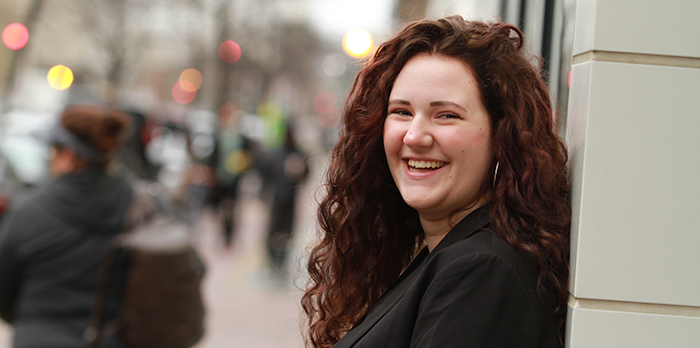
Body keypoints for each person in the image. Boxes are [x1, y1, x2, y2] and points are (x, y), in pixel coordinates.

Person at [302, 16, 570, 348]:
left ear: (504, 136)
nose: (414, 136)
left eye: (446, 115)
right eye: (401, 111)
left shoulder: (482, 273)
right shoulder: (447, 253)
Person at [0, 105, 132, 348]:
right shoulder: (141, 206)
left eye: (53, 151)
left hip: (38, 339)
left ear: (68, 156)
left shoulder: (29, 212)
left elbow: (3, 290)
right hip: (111, 340)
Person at [261, 123, 309, 274]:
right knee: (273, 231)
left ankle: (282, 260)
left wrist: (301, 171)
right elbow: (265, 174)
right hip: (276, 199)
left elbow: (307, 172)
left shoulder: (299, 153)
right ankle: (272, 259)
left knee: (287, 233)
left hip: (291, 200)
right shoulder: (275, 154)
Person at [210, 102, 253, 247]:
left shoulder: (240, 137)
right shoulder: (219, 134)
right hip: (221, 180)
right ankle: (223, 235)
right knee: (221, 210)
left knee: (232, 209)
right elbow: (213, 158)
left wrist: (243, 165)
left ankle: (230, 236)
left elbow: (249, 157)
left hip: (235, 180)